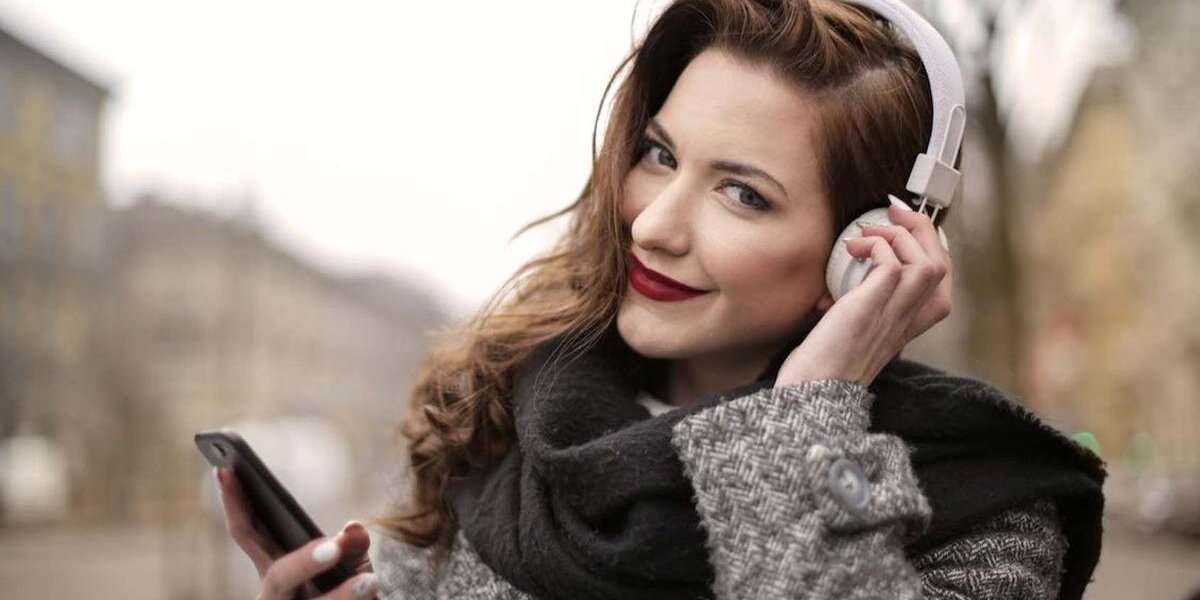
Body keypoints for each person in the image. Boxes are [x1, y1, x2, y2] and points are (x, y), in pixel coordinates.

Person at [216, 0, 1107, 598]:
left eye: (742, 193)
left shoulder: (985, 508)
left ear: (863, 251)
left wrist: (803, 428)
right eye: (660, 155)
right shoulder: (491, 421)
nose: (652, 226)